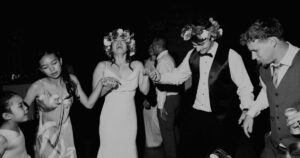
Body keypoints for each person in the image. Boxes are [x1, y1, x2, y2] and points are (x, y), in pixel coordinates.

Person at [149, 17, 255, 157]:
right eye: (194, 44)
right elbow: (178, 76)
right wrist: (160, 77)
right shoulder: (192, 54)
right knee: (186, 152)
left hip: (220, 118)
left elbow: (245, 86)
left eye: (201, 44)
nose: (198, 48)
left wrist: (247, 108)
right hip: (195, 114)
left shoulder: (231, 55)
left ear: (211, 35)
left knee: (217, 155)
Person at [24, 50, 109, 158]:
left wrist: (101, 83)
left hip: (66, 136)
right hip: (46, 138)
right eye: (45, 67)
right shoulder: (37, 86)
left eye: (54, 63)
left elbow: (89, 104)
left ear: (60, 61)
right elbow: (21, 110)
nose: (52, 69)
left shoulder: (71, 79)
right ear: (41, 69)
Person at [240, 17, 300, 158]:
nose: (253, 57)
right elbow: (268, 90)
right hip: (272, 145)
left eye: (256, 51)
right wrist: (251, 113)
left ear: (273, 42)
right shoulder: (265, 66)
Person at [93, 28, 150, 158]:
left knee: (128, 148)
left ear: (129, 45)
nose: (119, 43)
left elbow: (145, 90)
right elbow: (95, 96)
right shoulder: (102, 66)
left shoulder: (137, 65)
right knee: (108, 149)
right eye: (115, 41)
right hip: (109, 117)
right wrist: (106, 87)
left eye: (123, 41)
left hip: (129, 118)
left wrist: (146, 75)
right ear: (110, 47)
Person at [151, 37, 181, 158]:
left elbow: (162, 87)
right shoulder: (168, 58)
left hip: (167, 99)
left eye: (153, 46)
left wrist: (160, 107)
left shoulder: (163, 61)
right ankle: (178, 151)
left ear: (158, 46)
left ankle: (171, 155)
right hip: (175, 98)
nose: (152, 48)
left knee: (167, 132)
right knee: (172, 129)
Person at [142, 44, 162, 148]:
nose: (151, 50)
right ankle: (150, 143)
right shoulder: (145, 62)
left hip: (157, 94)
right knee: (147, 118)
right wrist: (145, 98)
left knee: (156, 121)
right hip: (147, 94)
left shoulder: (159, 62)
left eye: (152, 48)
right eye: (149, 48)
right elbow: (143, 81)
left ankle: (159, 141)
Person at [0, 91, 31, 158]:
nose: (26, 107)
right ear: (7, 116)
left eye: (24, 104)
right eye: (20, 106)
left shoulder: (15, 127)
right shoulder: (2, 138)